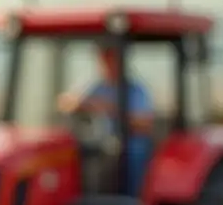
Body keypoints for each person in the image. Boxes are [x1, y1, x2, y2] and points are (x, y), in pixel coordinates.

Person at [56, 46, 157, 191]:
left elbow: (145, 124)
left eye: (111, 60)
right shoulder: (94, 86)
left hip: (127, 140)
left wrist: (112, 109)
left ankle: (131, 202)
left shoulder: (136, 89)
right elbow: (64, 102)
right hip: (96, 140)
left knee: (135, 151)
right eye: (104, 61)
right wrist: (81, 104)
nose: (107, 65)